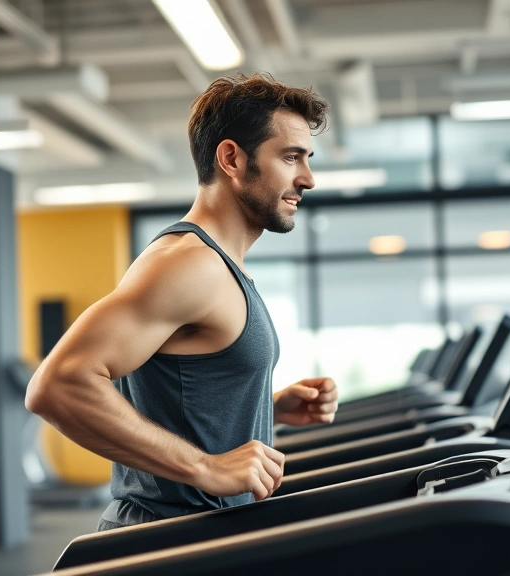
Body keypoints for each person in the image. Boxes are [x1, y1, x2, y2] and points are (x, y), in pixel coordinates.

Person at [25, 73, 339, 531]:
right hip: (167, 539)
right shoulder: (190, 264)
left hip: (203, 535)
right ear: (231, 158)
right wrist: (205, 468)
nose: (307, 178)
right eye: (291, 157)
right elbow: (57, 385)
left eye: (306, 159)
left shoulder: (218, 262)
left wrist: (264, 408)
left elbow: (176, 397)